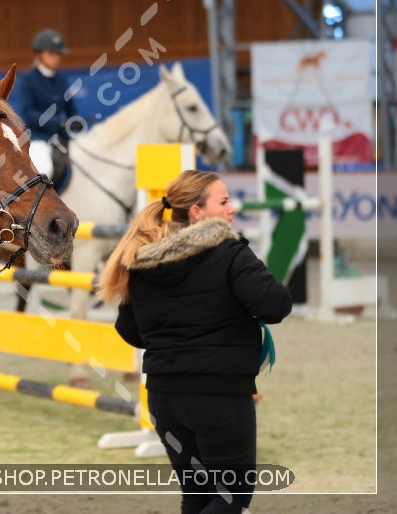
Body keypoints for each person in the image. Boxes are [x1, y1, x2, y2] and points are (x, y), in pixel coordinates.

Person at [97, 170, 292, 514]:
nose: (233, 208)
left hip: (164, 398)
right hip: (219, 395)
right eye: (224, 201)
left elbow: (130, 331)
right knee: (231, 497)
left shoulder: (142, 260)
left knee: (198, 495)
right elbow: (276, 305)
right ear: (198, 212)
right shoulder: (231, 252)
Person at [16, 28, 78, 180]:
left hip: (63, 137)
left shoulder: (62, 80)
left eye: (58, 54)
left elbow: (71, 109)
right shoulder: (28, 80)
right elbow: (29, 113)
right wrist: (58, 123)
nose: (56, 58)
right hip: (39, 137)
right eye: (51, 54)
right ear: (40, 54)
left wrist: (74, 123)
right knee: (45, 169)